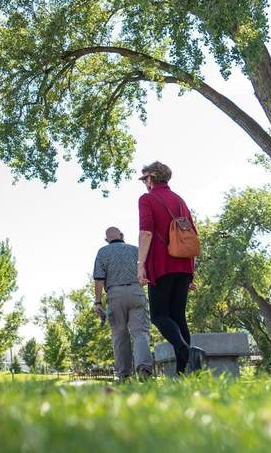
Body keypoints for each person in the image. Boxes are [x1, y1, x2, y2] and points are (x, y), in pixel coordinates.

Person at [137, 161, 205, 374]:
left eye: (144, 178)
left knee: (159, 316)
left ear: (151, 178)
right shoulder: (179, 200)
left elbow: (146, 232)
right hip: (184, 265)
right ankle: (185, 371)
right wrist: (191, 272)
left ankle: (184, 350)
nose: (143, 183)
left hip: (161, 263)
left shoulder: (147, 199)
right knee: (178, 316)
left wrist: (141, 265)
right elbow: (191, 236)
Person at [93, 226, 152, 380]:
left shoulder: (103, 252)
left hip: (114, 294)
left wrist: (98, 302)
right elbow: (146, 273)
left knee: (119, 334)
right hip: (135, 291)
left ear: (106, 240)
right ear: (122, 235)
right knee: (140, 332)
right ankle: (144, 368)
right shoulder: (135, 250)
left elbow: (99, 279)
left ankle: (123, 374)